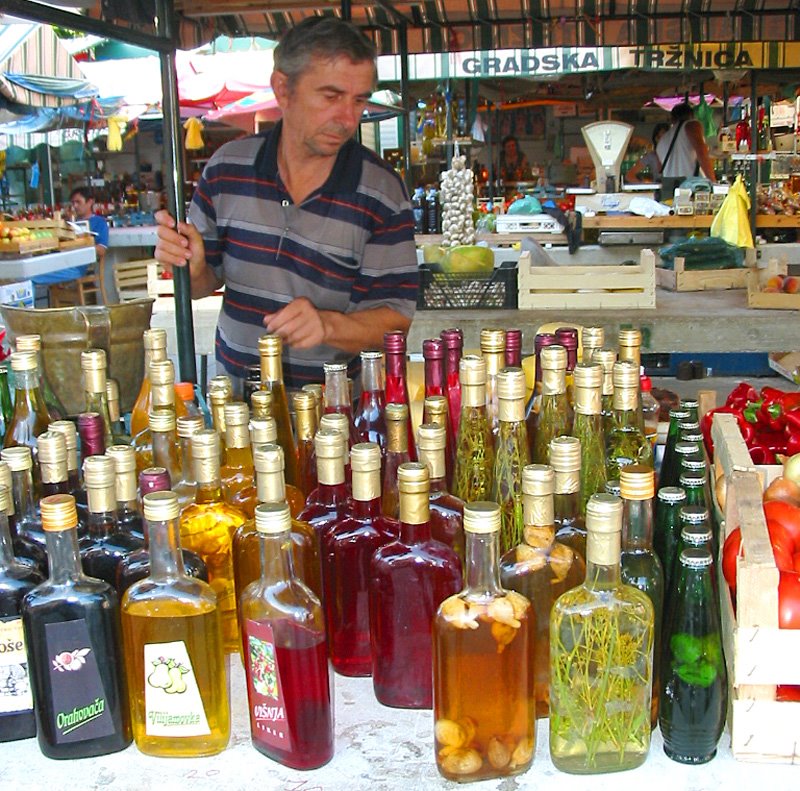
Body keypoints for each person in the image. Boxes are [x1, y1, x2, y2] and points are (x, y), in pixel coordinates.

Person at [154, 18, 418, 390]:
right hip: (235, 406)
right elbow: (200, 283)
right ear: (283, 88)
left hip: (333, 416)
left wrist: (327, 325)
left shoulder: (381, 192)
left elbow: (395, 321)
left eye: (358, 100)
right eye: (331, 96)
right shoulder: (226, 170)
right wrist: (191, 266)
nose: (347, 119)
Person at [34, 186, 109, 289]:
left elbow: (102, 250)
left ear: (90, 202)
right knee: (28, 272)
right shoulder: (69, 223)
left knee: (31, 278)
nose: (75, 206)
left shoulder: (99, 222)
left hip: (76, 268)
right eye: (73, 203)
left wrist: (80, 246)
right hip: (58, 263)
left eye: (78, 202)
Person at [655, 102, 716, 196]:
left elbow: (659, 167)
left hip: (670, 190)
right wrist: (713, 182)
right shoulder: (691, 125)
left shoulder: (662, 140)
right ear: (692, 115)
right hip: (692, 187)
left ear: (672, 119)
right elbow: (702, 153)